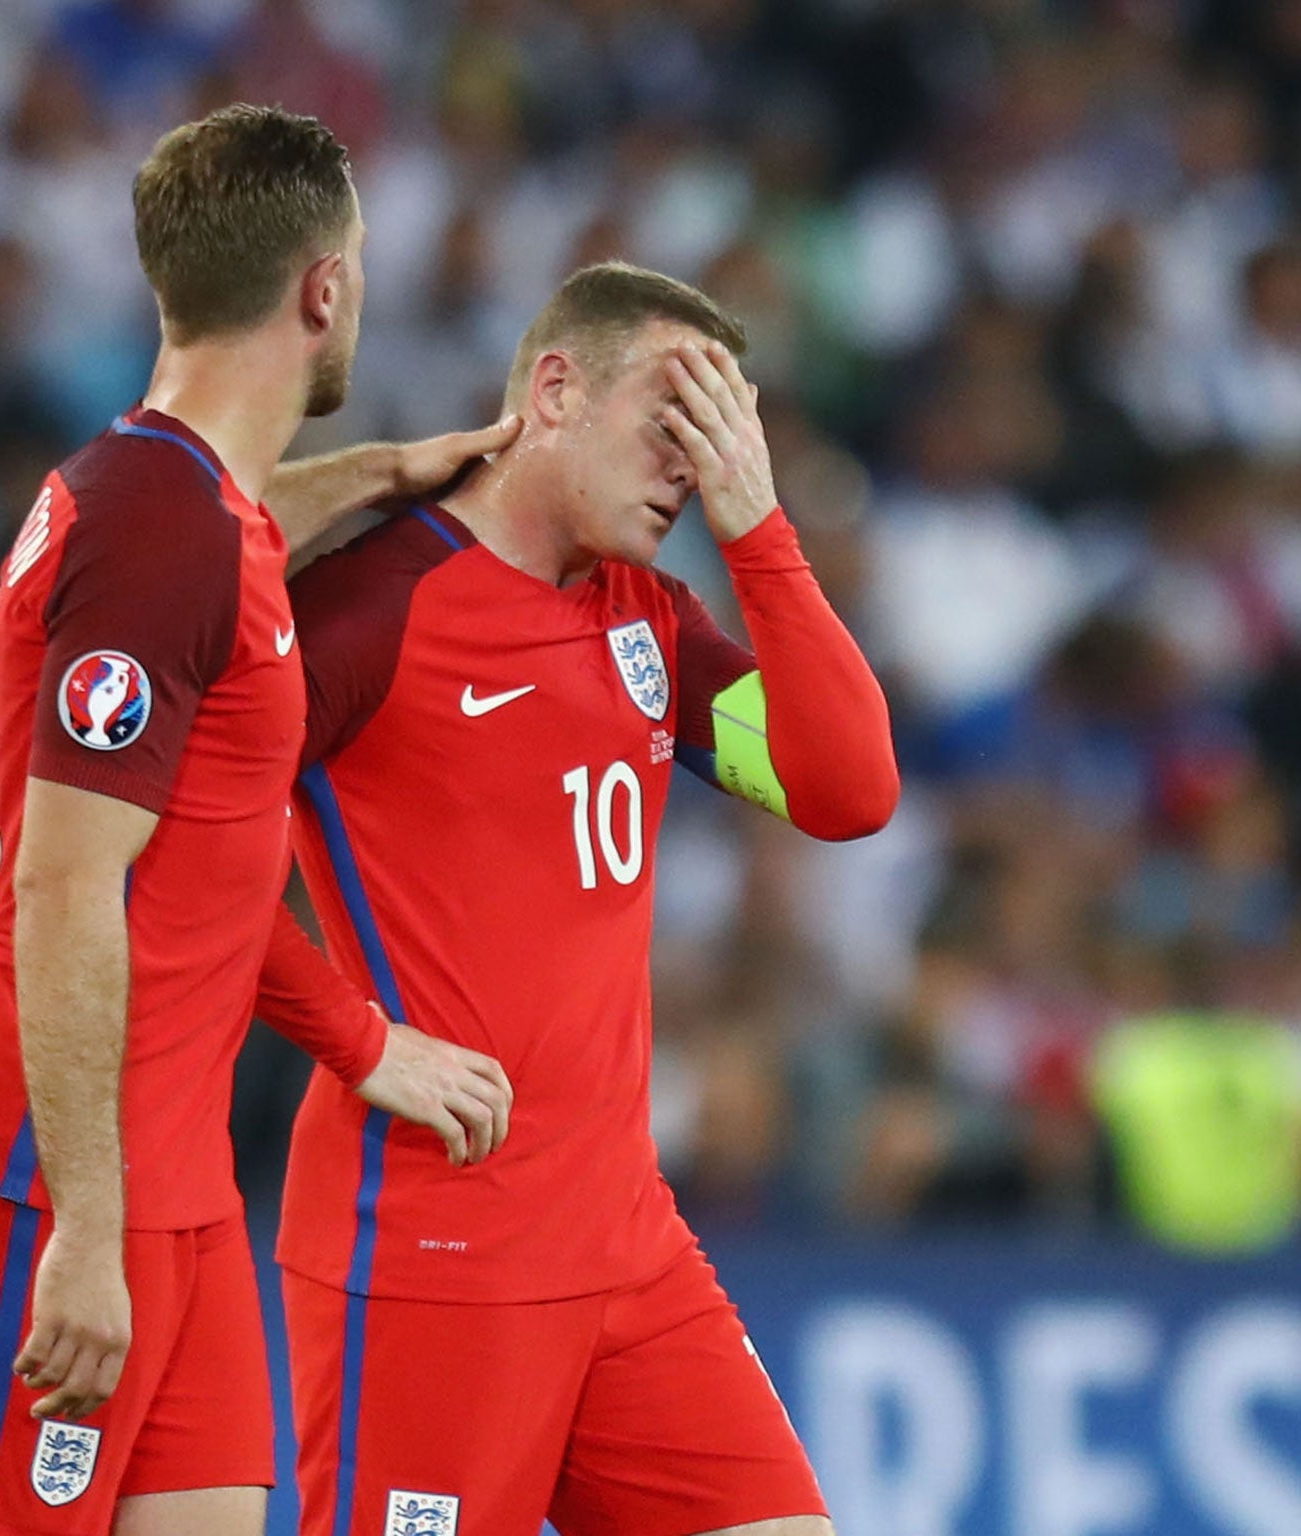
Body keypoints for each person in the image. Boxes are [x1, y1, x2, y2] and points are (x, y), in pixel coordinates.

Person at [0, 105, 514, 1536]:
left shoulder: (193, 513)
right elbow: (67, 891)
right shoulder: (162, 537)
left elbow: (203, 878)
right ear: (323, 289)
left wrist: (387, 475)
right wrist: (85, 1230)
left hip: (173, 1162)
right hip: (47, 1152)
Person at [266, 262, 901, 1536]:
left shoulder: (647, 622)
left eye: (714, 439)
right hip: (434, 1245)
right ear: (555, 389)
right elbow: (156, 855)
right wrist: (355, 1038)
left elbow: (848, 790)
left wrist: (759, 532)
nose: (688, 470)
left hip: (624, 1244)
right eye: (671, 427)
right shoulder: (369, 611)